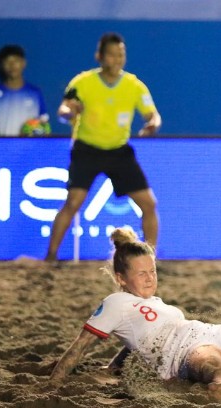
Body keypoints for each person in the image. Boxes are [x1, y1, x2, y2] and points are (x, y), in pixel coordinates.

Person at [49, 227, 221, 405]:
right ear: (121, 278)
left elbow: (132, 341)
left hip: (218, 333)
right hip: (186, 352)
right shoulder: (115, 303)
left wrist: (114, 367)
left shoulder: (154, 304)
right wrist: (53, 383)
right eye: (141, 273)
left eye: (152, 271)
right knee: (215, 366)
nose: (150, 278)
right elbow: (80, 346)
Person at [45, 32, 162, 262]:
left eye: (121, 54)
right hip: (87, 150)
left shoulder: (134, 86)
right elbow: (63, 110)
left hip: (119, 151)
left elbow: (153, 115)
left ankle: (150, 259)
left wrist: (152, 124)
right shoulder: (83, 82)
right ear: (99, 56)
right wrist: (69, 111)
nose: (117, 59)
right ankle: (50, 258)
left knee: (149, 204)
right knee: (73, 203)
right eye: (112, 55)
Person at [0, 44, 49, 136]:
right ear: (2, 66)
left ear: (23, 63)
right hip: (3, 148)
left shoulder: (35, 93)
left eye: (16, 61)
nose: (12, 65)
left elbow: (43, 125)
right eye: (7, 62)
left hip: (28, 148)